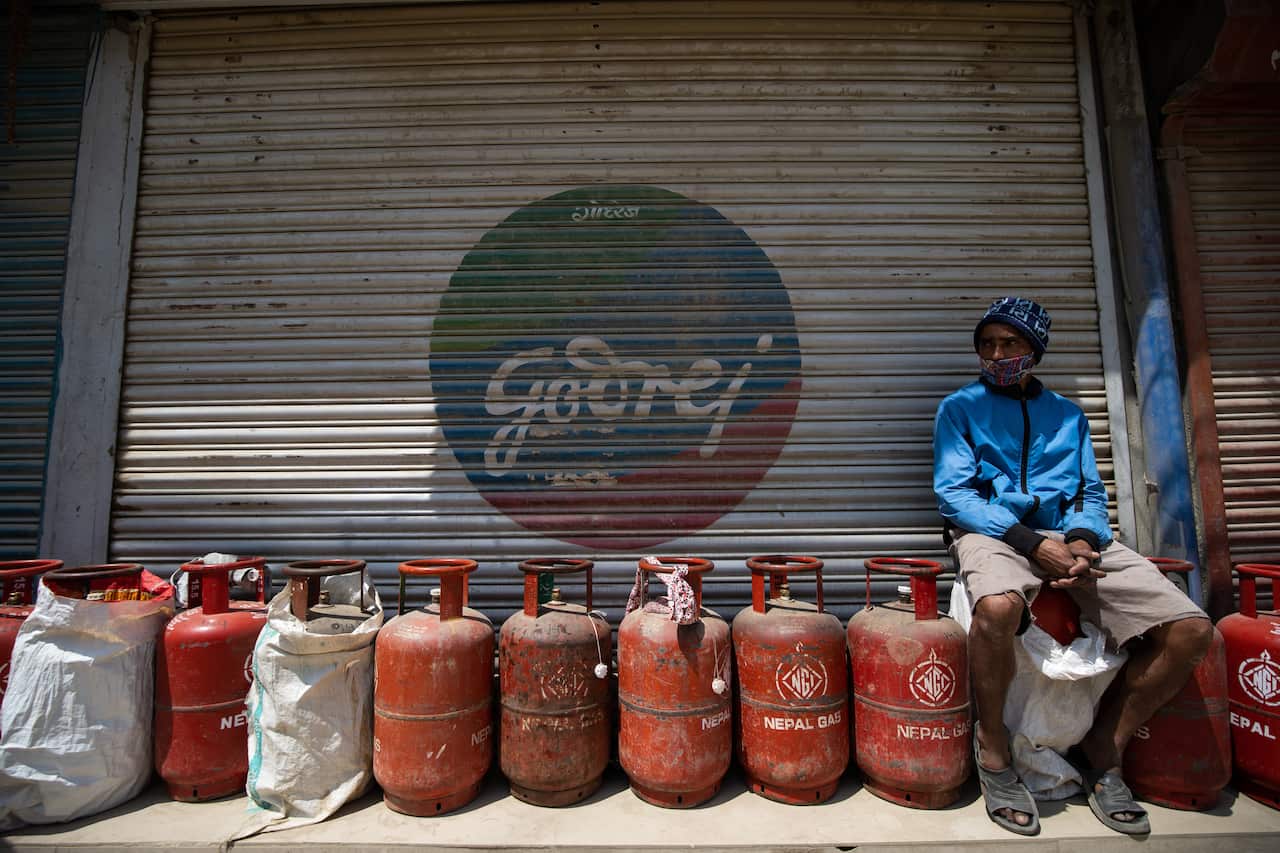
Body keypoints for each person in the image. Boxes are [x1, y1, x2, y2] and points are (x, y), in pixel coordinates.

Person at [932, 296, 1213, 836]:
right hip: (993, 531)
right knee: (995, 608)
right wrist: (1031, 544)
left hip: (1071, 537)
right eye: (987, 344)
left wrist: (1083, 542)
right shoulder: (960, 408)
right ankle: (994, 751)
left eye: (1009, 343)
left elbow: (1089, 490)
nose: (996, 354)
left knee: (1189, 629)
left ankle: (1104, 750)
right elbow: (954, 495)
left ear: (1034, 350)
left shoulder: (1067, 414)